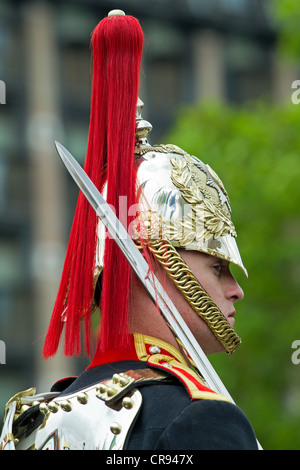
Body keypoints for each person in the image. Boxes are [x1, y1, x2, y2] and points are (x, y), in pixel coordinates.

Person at [0, 10, 259, 451]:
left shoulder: (33, 423)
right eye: (218, 267)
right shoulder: (197, 420)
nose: (235, 289)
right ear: (153, 264)